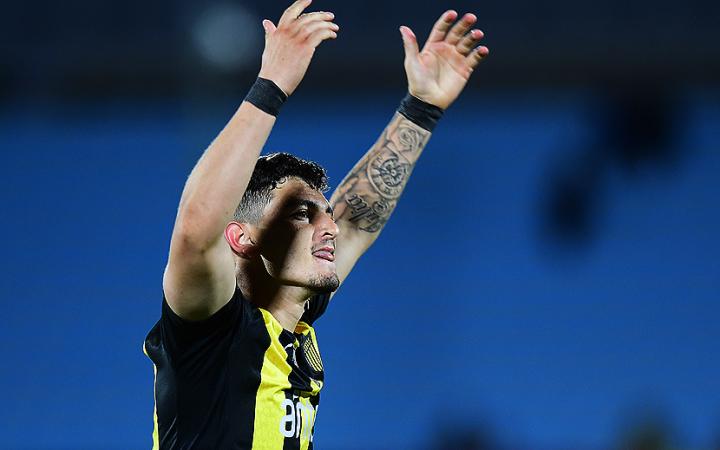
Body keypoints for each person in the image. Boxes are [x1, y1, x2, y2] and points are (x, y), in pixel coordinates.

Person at [143, 1, 489, 448]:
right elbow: (195, 229)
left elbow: (356, 220)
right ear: (243, 238)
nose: (329, 227)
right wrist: (271, 86)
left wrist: (421, 109)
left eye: (323, 214)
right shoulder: (210, 330)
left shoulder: (291, 320)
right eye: (302, 214)